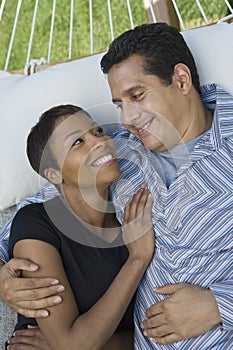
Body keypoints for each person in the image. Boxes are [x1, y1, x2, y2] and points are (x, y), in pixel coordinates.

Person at [0, 22, 233, 349]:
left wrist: (219, 304)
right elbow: (35, 217)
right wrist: (2, 278)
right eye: (120, 104)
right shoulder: (118, 152)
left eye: (137, 96)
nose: (127, 119)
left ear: (181, 80)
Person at [4, 104, 154, 350]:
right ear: (53, 174)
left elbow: (151, 335)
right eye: (77, 142)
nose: (99, 143)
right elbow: (72, 345)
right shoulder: (36, 222)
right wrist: (137, 261)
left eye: (97, 132)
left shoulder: (132, 221)